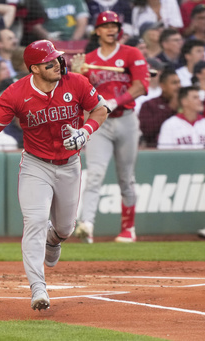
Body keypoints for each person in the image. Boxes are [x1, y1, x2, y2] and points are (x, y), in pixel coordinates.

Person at [0, 40, 108, 311]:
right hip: (36, 165)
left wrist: (87, 130)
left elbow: (101, 109)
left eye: (58, 59)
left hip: (70, 163)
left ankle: (54, 239)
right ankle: (38, 288)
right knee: (35, 220)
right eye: (50, 62)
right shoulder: (15, 93)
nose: (58, 64)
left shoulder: (76, 82)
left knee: (65, 228)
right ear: (35, 68)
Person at [71, 11, 149, 244]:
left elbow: (142, 85)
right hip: (99, 121)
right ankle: (87, 225)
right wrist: (77, 74)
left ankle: (128, 229)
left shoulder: (131, 53)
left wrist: (116, 101)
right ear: (97, 31)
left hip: (125, 118)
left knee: (126, 177)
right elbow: (79, 92)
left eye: (114, 25)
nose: (110, 29)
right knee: (94, 174)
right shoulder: (90, 58)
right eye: (105, 26)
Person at [139, 67, 181, 147]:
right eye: (174, 83)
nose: (178, 86)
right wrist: (171, 108)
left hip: (186, 147)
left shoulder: (186, 103)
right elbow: (147, 131)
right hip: (157, 149)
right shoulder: (149, 104)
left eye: (179, 82)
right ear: (163, 86)